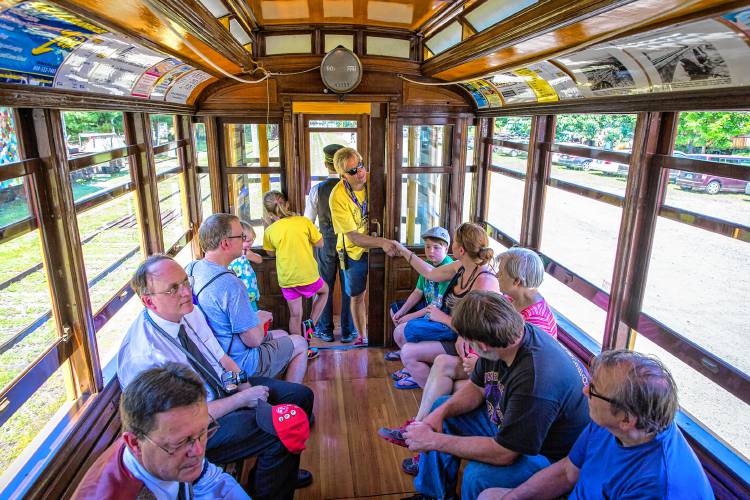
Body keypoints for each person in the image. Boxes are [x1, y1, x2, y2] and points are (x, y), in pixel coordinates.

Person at [117, 254, 314, 500]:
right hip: (196, 431)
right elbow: (180, 424)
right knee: (277, 429)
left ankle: (277, 472)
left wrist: (244, 386)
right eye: (173, 289)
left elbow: (222, 359)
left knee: (300, 396)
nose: (185, 292)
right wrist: (242, 400)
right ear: (149, 301)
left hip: (223, 390)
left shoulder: (189, 312)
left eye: (185, 282)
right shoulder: (145, 356)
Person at [401, 291, 590, 500]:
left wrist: (434, 441)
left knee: (477, 476)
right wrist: (440, 413)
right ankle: (434, 495)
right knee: (442, 407)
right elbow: (476, 388)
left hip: (552, 457)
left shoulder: (536, 380)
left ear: (481, 345)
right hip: (514, 424)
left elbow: (505, 453)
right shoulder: (503, 338)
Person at [379, 247, 559, 444]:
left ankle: (421, 434)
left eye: (502, 272)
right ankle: (419, 428)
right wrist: (466, 337)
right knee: (441, 363)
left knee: (447, 388)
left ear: (517, 281)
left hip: (509, 384)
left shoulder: (536, 323)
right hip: (484, 363)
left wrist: (479, 364)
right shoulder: (510, 300)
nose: (496, 275)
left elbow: (522, 370)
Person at [479, 350, 714, 500]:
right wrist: (515, 497)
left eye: (594, 389)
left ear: (626, 419)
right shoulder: (607, 423)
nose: (584, 390)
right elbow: (568, 472)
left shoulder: (658, 485)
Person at [73, 363, 250, 499]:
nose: (198, 451)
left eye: (203, 432)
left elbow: (209, 480)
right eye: (180, 442)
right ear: (134, 444)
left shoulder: (164, 440)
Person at [187, 213, 308, 383]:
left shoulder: (193, 268)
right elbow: (253, 340)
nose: (244, 240)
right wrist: (258, 318)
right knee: (300, 343)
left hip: (212, 352)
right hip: (237, 362)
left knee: (281, 333)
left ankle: (272, 389)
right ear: (225, 243)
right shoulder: (231, 285)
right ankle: (289, 400)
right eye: (241, 236)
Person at [392, 222, 500, 389]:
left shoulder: (484, 281)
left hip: (468, 343)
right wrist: (404, 251)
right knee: (404, 334)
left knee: (408, 351)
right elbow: (430, 273)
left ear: (461, 250)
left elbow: (478, 330)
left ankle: (435, 400)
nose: (453, 245)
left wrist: (443, 318)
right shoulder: (461, 266)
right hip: (453, 331)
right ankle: (432, 399)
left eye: (454, 242)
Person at [329, 147, 400, 344]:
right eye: (353, 171)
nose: (360, 172)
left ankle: (387, 336)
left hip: (379, 244)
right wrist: (383, 242)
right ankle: (362, 335)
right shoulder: (337, 196)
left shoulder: (374, 181)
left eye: (361, 166)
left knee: (385, 290)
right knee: (357, 295)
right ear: (343, 175)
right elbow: (354, 237)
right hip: (353, 251)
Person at [304, 143, 356, 343]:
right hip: (350, 245)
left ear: (326, 165)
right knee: (349, 288)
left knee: (324, 287)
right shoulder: (352, 188)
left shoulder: (317, 190)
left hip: (325, 245)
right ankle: (348, 331)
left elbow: (308, 222)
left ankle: (324, 330)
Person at [262, 190, 329, 341]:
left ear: (269, 214)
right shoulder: (304, 221)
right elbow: (320, 243)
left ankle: (300, 349)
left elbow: (270, 254)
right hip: (308, 276)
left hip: (287, 279)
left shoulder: (270, 231)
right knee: (324, 291)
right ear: (287, 204)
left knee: (295, 315)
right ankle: (311, 324)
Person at [386, 227, 454, 363]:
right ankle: (406, 350)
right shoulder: (426, 265)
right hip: (428, 305)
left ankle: (415, 356)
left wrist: (409, 317)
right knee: (395, 310)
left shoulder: (448, 268)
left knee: (405, 323)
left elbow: (436, 306)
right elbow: (418, 292)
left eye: (436, 247)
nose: (431, 251)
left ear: (446, 250)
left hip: (439, 311)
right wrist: (402, 312)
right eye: (427, 247)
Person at [228, 220, 262, 311]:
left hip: (250, 296)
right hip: (240, 298)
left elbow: (259, 259)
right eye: (247, 241)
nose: (251, 243)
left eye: (252, 240)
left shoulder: (246, 252)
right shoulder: (233, 254)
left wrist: (250, 254)